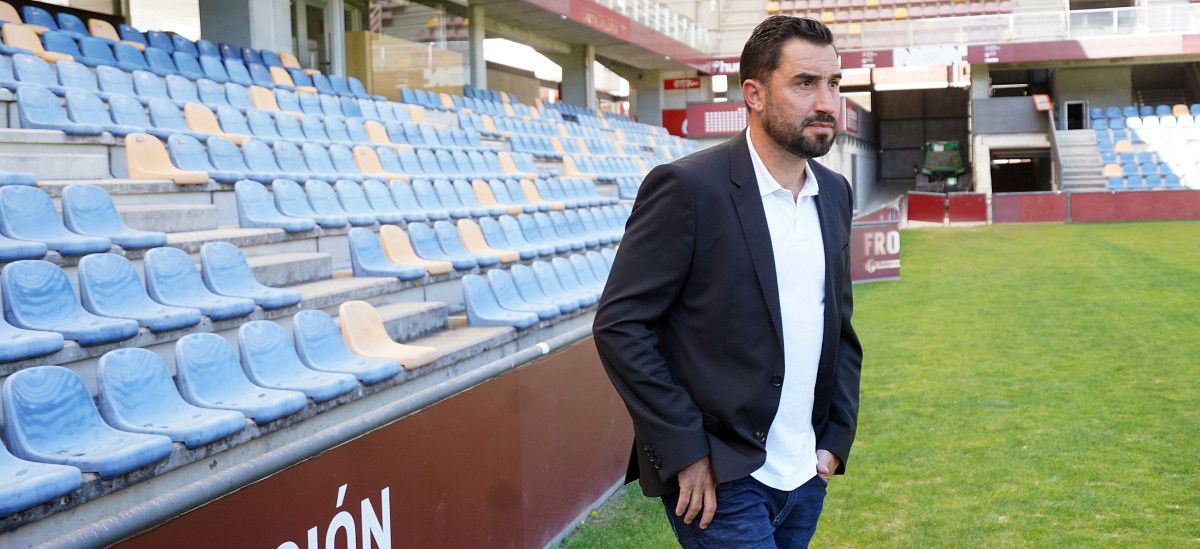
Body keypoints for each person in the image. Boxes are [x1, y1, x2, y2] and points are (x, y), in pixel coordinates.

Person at [592, 16, 863, 548]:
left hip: (805, 472)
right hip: (722, 474)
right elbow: (621, 326)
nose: (827, 102)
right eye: (805, 83)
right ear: (754, 94)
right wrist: (685, 451)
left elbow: (841, 328)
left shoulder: (834, 193)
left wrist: (835, 438)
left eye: (834, 84)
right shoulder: (688, 188)